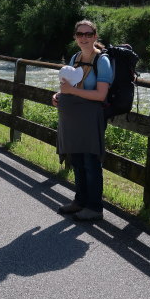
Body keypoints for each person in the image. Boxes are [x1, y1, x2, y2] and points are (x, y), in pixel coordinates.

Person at [52, 19, 113, 221]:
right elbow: (68, 85)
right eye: (80, 34)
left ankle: (95, 208)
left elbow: (101, 95)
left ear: (95, 36)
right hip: (75, 116)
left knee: (90, 162)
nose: (84, 38)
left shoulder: (101, 61)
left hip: (91, 117)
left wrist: (71, 91)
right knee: (77, 160)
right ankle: (80, 201)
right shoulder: (75, 58)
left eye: (88, 34)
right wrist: (59, 94)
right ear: (75, 37)